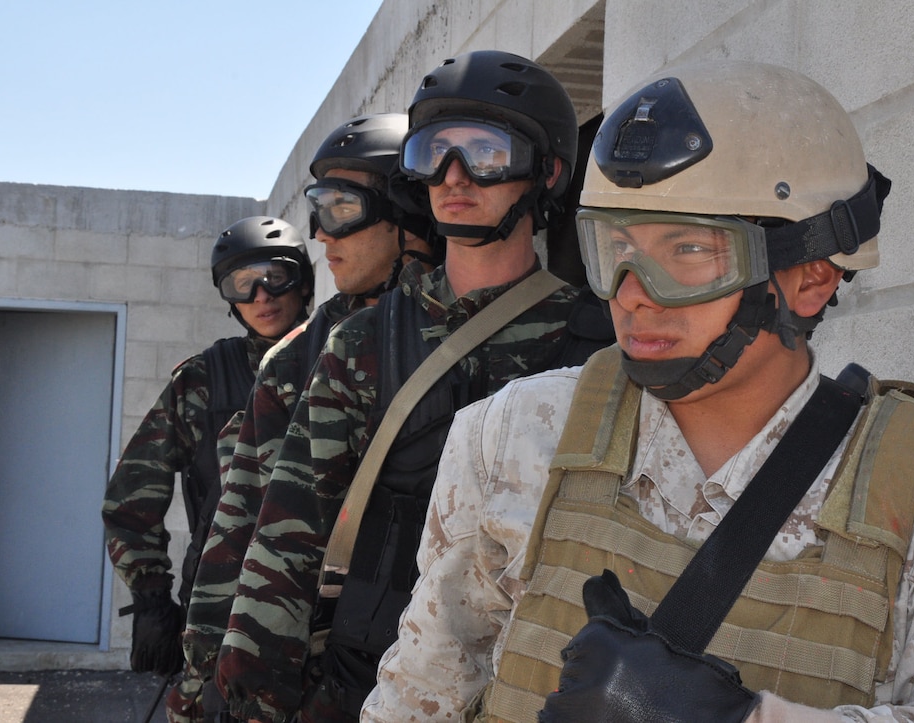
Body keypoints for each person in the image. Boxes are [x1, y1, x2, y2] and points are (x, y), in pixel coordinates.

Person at [364, 60, 914, 722]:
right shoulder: (513, 433)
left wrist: (747, 717)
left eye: (686, 252)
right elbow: (420, 693)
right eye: (616, 248)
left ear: (810, 276)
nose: (632, 295)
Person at [213, 49, 614, 722]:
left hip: (536, 680)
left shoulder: (597, 341)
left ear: (544, 172)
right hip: (372, 680)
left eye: (485, 153)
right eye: (435, 153)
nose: (454, 177)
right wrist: (250, 688)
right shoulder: (368, 340)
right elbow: (288, 529)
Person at [176, 113, 440, 723]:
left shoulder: (487, 335)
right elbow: (240, 524)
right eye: (318, 209)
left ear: (406, 207)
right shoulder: (299, 356)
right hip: (316, 671)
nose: (323, 234)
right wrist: (207, 671)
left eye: (343, 207)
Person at [101, 216, 313, 716]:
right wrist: (151, 596)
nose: (262, 296)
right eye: (242, 284)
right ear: (229, 300)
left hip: (320, 610)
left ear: (302, 281)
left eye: (274, 277)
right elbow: (131, 498)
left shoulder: (345, 361)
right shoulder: (202, 381)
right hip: (220, 606)